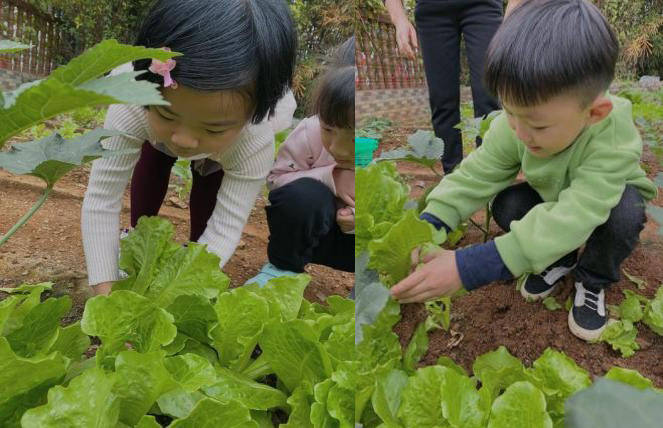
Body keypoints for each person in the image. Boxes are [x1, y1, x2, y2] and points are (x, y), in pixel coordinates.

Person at [390, 0, 658, 341]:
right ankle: (557, 258)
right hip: (552, 198)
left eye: (538, 126)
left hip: (602, 206)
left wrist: (467, 267)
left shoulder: (612, 133)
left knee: (625, 213)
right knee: (506, 204)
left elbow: (578, 214)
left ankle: (592, 281)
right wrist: (427, 226)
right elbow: (475, 175)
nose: (518, 131)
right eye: (510, 113)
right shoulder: (519, 122)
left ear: (594, 113)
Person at [81, 0, 297, 296]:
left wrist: (185, 284)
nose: (184, 140)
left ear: (254, 113)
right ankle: (137, 238)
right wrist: (107, 297)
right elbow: (102, 199)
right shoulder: (131, 102)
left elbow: (227, 225)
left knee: (210, 180)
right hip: (152, 129)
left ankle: (194, 250)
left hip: (226, 151)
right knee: (154, 159)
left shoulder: (254, 141)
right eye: (167, 113)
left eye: (213, 127)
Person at [246, 37, 355, 286]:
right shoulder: (309, 132)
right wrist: (331, 176)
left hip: (356, 248)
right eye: (329, 129)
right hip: (314, 237)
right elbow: (276, 182)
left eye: (354, 138)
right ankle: (282, 267)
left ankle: (370, 284)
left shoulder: (382, 149)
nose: (337, 147)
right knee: (303, 196)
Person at [383, 0, 525, 173]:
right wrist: (399, 20)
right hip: (432, 13)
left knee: (488, 95)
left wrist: (511, 17)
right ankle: (452, 175)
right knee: (442, 100)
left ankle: (490, 173)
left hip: (482, 6)